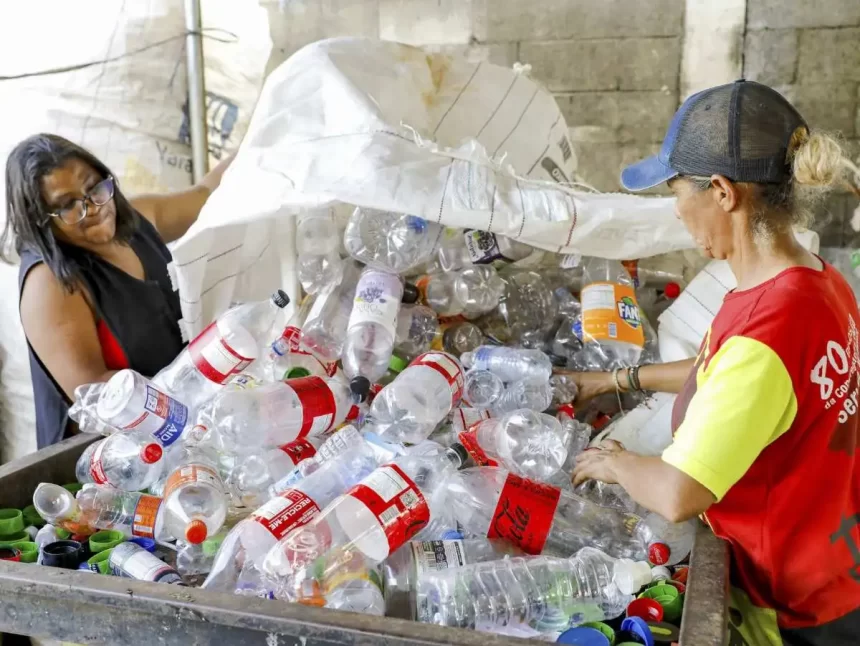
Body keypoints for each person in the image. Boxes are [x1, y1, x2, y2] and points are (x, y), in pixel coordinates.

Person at [564, 80, 860, 645]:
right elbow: (732, 377)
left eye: (677, 193)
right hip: (839, 557)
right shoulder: (819, 283)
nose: (678, 213)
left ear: (722, 192)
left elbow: (680, 493)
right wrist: (616, 379)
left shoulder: (765, 329)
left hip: (797, 606)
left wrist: (616, 462)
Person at [1, 133, 234, 449]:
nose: (94, 207)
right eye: (68, 205)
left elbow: (207, 193)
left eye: (95, 187)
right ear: (41, 221)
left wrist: (267, 130)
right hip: (115, 460)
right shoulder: (51, 286)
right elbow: (96, 396)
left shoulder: (137, 221)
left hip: (189, 426)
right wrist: (194, 391)